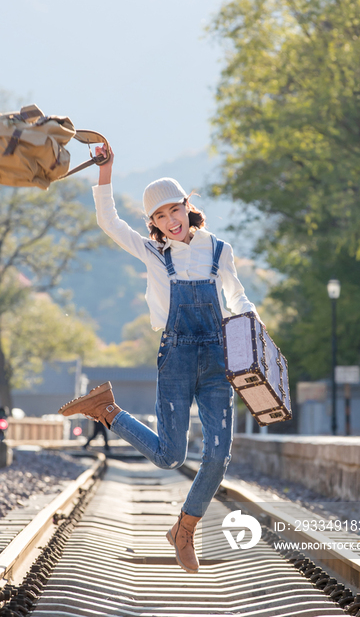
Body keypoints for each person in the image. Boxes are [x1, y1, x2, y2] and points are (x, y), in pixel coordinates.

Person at [59, 145, 263, 574]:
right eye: (161, 216)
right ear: (151, 223)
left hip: (216, 359)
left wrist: (250, 321)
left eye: (177, 210)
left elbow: (237, 295)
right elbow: (107, 222)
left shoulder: (220, 250)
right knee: (170, 456)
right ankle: (106, 409)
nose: (172, 221)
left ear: (190, 207)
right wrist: (107, 170)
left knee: (219, 454)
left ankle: (184, 530)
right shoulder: (154, 254)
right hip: (175, 357)